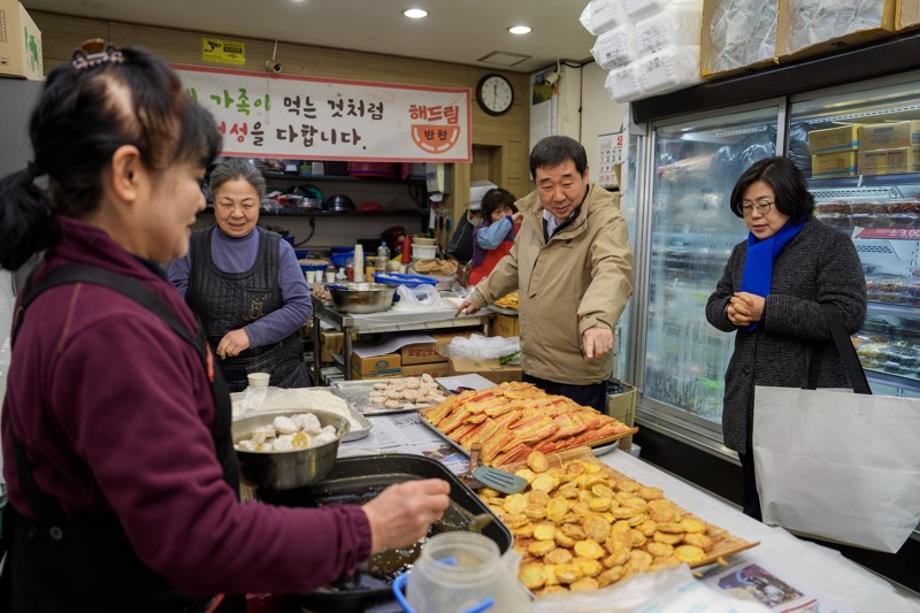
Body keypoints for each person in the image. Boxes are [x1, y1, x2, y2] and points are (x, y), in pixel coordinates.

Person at [0, 40, 449, 612]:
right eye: (195, 178)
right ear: (129, 174)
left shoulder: (87, 280)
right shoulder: (105, 324)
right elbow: (199, 537)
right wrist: (368, 527)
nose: (201, 202)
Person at [705, 156, 866, 520]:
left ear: (791, 200)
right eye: (746, 208)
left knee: (802, 520)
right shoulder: (744, 252)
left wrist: (768, 311)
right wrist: (728, 311)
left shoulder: (830, 246)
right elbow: (717, 301)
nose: (755, 216)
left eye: (765, 205)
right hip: (749, 404)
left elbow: (847, 315)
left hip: (803, 407)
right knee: (754, 508)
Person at [456, 135, 633, 412]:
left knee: (573, 452)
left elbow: (613, 268)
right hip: (534, 363)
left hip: (577, 372)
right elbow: (514, 263)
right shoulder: (534, 217)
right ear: (535, 183)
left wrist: (598, 320)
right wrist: (480, 295)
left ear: (585, 175)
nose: (558, 196)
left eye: (567, 183)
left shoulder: (605, 220)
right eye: (546, 186)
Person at [168, 158, 310, 392]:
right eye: (226, 203)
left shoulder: (278, 249)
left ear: (259, 203)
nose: (236, 214)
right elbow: (171, 308)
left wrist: (250, 334)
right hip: (210, 377)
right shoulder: (190, 248)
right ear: (213, 201)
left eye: (247, 204)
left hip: (277, 377)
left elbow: (300, 306)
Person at [468, 187, 520, 286]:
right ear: (489, 215)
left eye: (507, 210)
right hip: (481, 284)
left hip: (507, 286)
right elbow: (491, 241)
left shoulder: (518, 229)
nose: (504, 216)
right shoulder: (481, 231)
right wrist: (509, 220)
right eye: (497, 212)